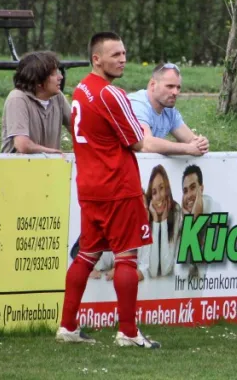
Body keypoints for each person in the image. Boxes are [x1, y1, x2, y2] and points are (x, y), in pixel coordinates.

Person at [56, 32, 160, 348]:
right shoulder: (109, 93)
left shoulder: (81, 89)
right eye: (115, 54)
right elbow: (137, 141)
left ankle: (68, 327)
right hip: (117, 186)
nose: (123, 59)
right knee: (126, 258)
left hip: (90, 186)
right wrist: (145, 130)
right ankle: (128, 333)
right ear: (96, 58)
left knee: (86, 256)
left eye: (124, 53)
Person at [127, 63, 209, 156]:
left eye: (178, 87)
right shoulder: (137, 104)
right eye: (170, 86)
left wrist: (201, 143)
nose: (175, 92)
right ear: (152, 84)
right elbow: (146, 144)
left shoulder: (168, 110)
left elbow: (191, 140)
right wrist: (188, 148)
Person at [1, 51, 71, 153]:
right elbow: (22, 145)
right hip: (17, 167)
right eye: (53, 74)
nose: (60, 77)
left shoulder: (57, 96)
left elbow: (77, 129)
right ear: (38, 81)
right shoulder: (17, 98)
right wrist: (54, 153)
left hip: (49, 166)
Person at [137, 165, 182, 279]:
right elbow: (152, 270)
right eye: (154, 192)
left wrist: (164, 221)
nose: (158, 196)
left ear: (167, 188)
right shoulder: (147, 213)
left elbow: (165, 269)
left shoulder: (176, 211)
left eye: (161, 188)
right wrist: (156, 222)